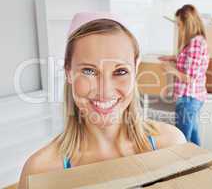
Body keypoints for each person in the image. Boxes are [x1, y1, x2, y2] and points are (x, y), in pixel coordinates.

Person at [18, 12, 186, 189]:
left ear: (136, 69)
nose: (104, 91)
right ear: (68, 71)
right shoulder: (40, 172)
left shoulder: (171, 145)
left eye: (120, 71)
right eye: (89, 71)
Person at [159, 4, 209, 146]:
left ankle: (189, 167)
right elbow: (190, 62)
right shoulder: (198, 41)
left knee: (181, 141)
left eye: (180, 25)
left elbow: (190, 78)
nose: (179, 28)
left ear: (187, 24)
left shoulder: (194, 44)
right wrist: (173, 58)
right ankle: (202, 166)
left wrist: (171, 69)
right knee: (192, 137)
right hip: (193, 98)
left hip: (188, 99)